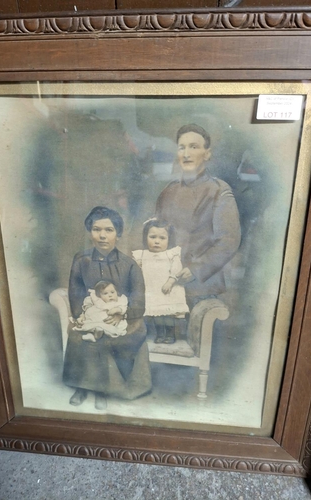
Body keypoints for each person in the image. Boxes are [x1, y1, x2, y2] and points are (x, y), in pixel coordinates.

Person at [62, 206, 152, 411]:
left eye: (109, 230)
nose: (102, 235)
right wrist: (80, 317)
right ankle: (81, 387)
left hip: (122, 317)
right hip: (90, 314)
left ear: (118, 234)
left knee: (105, 335)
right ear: (90, 232)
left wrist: (123, 313)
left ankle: (102, 390)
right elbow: (75, 292)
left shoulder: (129, 265)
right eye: (96, 229)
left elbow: (139, 299)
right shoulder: (81, 260)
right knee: (82, 333)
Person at [155, 124, 241, 309]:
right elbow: (155, 234)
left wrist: (195, 269)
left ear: (207, 154)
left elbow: (228, 241)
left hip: (201, 289)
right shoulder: (168, 192)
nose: (186, 154)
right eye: (182, 147)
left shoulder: (218, 191)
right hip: (165, 286)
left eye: (194, 147)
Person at [132, 218, 189, 344]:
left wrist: (170, 281)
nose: (157, 241)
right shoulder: (142, 255)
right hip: (152, 289)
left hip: (167, 289)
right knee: (156, 315)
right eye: (152, 237)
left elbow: (176, 269)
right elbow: (136, 271)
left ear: (169, 240)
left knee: (168, 315)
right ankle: (159, 334)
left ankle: (170, 334)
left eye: (162, 238)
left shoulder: (171, 255)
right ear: (145, 237)